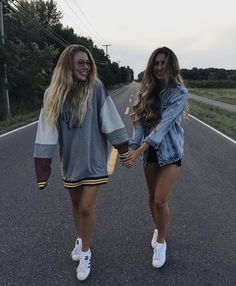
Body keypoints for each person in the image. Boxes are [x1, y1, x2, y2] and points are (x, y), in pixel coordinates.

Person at [34, 44, 130, 281]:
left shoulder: (95, 88)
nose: (86, 67)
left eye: (88, 63)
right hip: (71, 164)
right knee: (76, 206)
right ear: (68, 65)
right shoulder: (52, 94)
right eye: (81, 63)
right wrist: (43, 167)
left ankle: (86, 252)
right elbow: (46, 131)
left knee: (86, 207)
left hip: (94, 160)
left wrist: (123, 148)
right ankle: (81, 239)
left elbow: (110, 117)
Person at [122, 47, 188, 268]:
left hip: (170, 153)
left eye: (163, 63)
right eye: (156, 63)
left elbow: (162, 127)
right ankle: (159, 228)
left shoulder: (180, 93)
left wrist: (137, 151)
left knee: (160, 199)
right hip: (150, 153)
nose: (159, 67)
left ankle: (160, 241)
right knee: (152, 197)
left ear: (171, 66)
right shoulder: (146, 91)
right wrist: (133, 147)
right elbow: (140, 124)